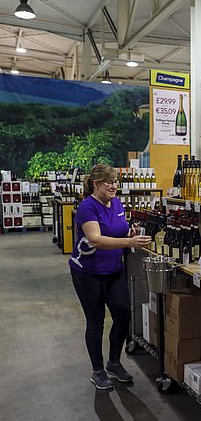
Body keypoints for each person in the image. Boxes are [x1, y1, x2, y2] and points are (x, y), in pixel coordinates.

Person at [69, 164, 151, 390]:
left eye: (116, 182)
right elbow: (95, 239)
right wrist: (129, 242)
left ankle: (114, 362)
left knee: (124, 314)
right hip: (88, 273)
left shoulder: (116, 203)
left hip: (114, 270)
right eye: (109, 182)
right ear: (96, 184)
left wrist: (129, 233)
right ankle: (98, 371)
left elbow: (117, 230)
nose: (114, 186)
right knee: (95, 322)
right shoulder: (87, 207)